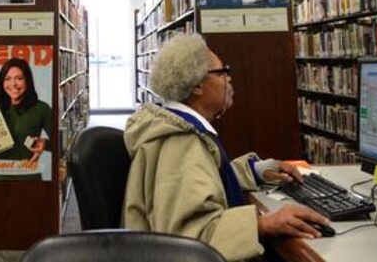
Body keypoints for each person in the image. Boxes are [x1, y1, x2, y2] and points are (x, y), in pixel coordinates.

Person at [123, 33, 329, 261]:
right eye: (222, 72)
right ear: (197, 85)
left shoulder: (177, 128)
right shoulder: (181, 145)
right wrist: (263, 223)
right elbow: (191, 237)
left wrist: (257, 171)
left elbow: (204, 181)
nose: (229, 79)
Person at [0, 57, 51, 181]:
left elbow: (59, 144)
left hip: (29, 178)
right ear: (2, 83)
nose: (13, 84)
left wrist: (45, 144)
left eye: (19, 78)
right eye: (7, 79)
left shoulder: (42, 108)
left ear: (27, 81)